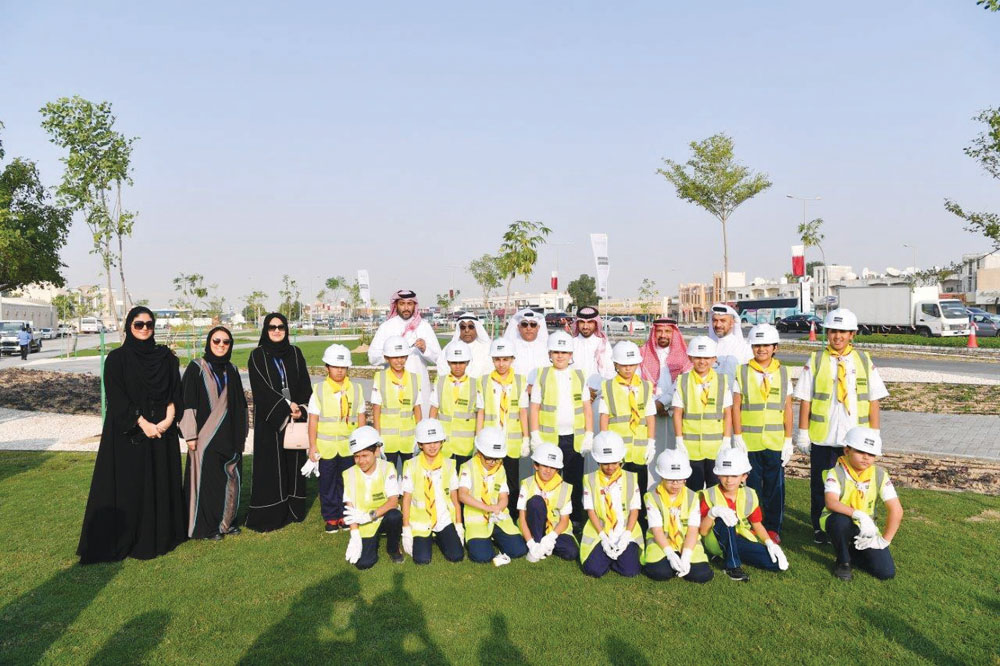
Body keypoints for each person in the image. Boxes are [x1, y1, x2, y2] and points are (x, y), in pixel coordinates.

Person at [77, 306, 186, 563]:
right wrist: (144, 423)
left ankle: (160, 535)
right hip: (130, 436)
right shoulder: (116, 360)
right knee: (132, 487)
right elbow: (117, 399)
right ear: (129, 326)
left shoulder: (166, 358)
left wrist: (168, 420)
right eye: (139, 324)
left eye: (149, 324)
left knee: (159, 482)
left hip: (163, 433)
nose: (145, 328)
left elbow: (174, 393)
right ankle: (132, 537)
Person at [794, 308, 889, 544]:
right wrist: (803, 433)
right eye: (833, 331)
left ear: (852, 334)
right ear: (827, 332)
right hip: (824, 438)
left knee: (855, 485)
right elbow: (806, 399)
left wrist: (874, 434)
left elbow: (874, 400)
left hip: (854, 441)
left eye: (843, 332)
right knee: (821, 484)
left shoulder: (864, 361)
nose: (837, 336)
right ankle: (819, 526)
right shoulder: (816, 360)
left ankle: (854, 524)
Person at [179, 326, 249, 541]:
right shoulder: (196, 368)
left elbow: (242, 406)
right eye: (216, 341)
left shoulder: (233, 370)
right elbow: (187, 402)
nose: (221, 345)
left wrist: (242, 434)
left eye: (226, 342)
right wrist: (190, 436)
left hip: (230, 436)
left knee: (231, 479)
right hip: (205, 438)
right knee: (208, 484)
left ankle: (226, 523)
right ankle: (207, 528)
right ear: (209, 342)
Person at [245, 313, 313, 532]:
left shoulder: (295, 353)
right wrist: (286, 407)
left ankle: (294, 509)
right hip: (270, 421)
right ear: (265, 330)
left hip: (295, 421)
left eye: (281, 327)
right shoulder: (257, 355)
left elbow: (305, 384)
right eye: (272, 327)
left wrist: (301, 407)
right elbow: (261, 389)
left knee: (293, 463)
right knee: (272, 466)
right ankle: (272, 513)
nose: (276, 331)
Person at [732, 323, 793, 543]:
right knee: (752, 487)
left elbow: (787, 408)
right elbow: (736, 407)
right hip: (750, 442)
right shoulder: (742, 371)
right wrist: (737, 437)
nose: (761, 349)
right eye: (757, 345)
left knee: (775, 488)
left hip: (775, 442)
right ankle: (752, 525)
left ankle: (773, 527)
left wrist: (788, 440)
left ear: (775, 347)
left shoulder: (784, 373)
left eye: (766, 345)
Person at [529, 331, 594, 525]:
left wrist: (589, 434)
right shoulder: (542, 375)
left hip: (574, 439)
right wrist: (534, 436)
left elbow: (586, 408)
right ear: (549, 354)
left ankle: (574, 521)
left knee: (573, 482)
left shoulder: (579, 376)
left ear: (571, 355)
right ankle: (546, 519)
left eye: (564, 352)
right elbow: (534, 409)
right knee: (548, 481)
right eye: (556, 351)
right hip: (549, 440)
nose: (560, 356)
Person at [820, 427, 901, 581]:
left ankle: (853, 551)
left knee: (886, 572)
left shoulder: (879, 475)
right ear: (847, 451)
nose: (866, 458)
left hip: (867, 528)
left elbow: (896, 510)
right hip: (840, 520)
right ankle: (843, 562)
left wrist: (884, 541)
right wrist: (859, 515)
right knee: (839, 522)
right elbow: (831, 502)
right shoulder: (836, 472)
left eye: (871, 454)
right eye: (860, 452)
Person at [699, 446, 789, 582]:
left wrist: (770, 543)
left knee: (774, 563)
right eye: (725, 475)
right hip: (716, 541)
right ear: (718, 475)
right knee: (725, 519)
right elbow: (703, 531)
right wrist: (712, 513)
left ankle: (728, 555)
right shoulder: (709, 494)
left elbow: (757, 524)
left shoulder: (749, 494)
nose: (729, 480)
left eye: (734, 476)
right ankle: (732, 567)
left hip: (740, 539)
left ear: (744, 476)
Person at [306, 344, 365, 533]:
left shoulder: (356, 389)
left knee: (348, 482)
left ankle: (347, 515)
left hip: (349, 447)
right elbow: (313, 419)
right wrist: (312, 445)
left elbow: (361, 417)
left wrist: (363, 445)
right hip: (326, 447)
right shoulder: (319, 390)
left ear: (348, 368)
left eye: (343, 367)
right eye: (335, 366)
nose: (339, 371)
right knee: (328, 483)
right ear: (327, 368)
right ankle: (332, 517)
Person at [642, 447, 713, 583]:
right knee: (660, 573)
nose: (675, 484)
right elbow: (656, 530)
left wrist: (686, 555)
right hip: (661, 542)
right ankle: (672, 559)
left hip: (687, 540)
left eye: (680, 480)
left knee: (702, 575)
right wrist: (669, 554)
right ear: (662, 477)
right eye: (670, 480)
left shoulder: (693, 497)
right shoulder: (652, 497)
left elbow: (693, 529)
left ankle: (681, 559)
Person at [458, 427, 528, 565]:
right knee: (482, 556)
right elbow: (462, 495)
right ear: (479, 452)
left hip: (498, 518)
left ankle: (496, 536)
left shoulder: (500, 468)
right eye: (489, 458)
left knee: (519, 550)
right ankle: (486, 541)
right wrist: (487, 507)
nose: (492, 462)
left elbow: (504, 497)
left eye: (496, 459)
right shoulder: (468, 467)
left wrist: (498, 507)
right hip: (477, 520)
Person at [671, 336, 733, 490]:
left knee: (715, 489)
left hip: (716, 447)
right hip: (690, 447)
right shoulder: (683, 381)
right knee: (693, 489)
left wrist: (726, 440)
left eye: (706, 357)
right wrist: (679, 440)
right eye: (698, 357)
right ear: (690, 357)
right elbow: (678, 413)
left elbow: (727, 413)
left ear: (714, 359)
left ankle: (714, 515)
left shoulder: (721, 381)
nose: (702, 361)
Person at [400, 419, 465, 565]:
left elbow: (455, 500)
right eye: (427, 442)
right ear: (420, 445)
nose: (432, 446)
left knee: (456, 556)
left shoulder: (449, 464)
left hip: (443, 519)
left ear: (442, 442)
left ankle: (440, 536)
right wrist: (406, 529)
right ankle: (428, 537)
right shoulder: (411, 465)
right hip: (421, 522)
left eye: (436, 441)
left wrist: (459, 525)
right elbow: (406, 499)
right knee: (422, 559)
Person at [579, 432, 643, 578]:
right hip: (600, 532)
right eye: (605, 463)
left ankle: (615, 557)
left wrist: (626, 535)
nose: (610, 467)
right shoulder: (590, 479)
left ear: (621, 460)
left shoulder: (630, 478)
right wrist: (603, 537)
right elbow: (591, 511)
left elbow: (634, 510)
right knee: (593, 570)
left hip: (625, 530)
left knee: (630, 571)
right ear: (597, 461)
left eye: (614, 462)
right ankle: (607, 556)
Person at [368, 290, 441, 412]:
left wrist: (425, 349)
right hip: (392, 384)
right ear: (396, 305)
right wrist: (389, 355)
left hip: (418, 385)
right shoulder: (386, 327)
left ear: (414, 305)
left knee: (421, 423)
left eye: (409, 304)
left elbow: (439, 358)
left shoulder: (424, 327)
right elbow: (372, 357)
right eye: (402, 303)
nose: (406, 307)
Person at [599, 341, 657, 494]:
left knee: (640, 488)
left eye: (631, 364)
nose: (628, 368)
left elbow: (650, 416)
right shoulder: (608, 386)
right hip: (618, 450)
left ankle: (640, 518)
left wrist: (651, 442)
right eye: (623, 365)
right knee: (618, 489)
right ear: (615, 364)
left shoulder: (645, 386)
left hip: (639, 449)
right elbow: (604, 416)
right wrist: (605, 441)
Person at [343, 426, 404, 568]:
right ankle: (370, 541)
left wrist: (370, 516)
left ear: (376, 451)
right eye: (357, 456)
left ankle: (393, 548)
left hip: (382, 517)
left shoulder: (387, 468)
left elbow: (393, 501)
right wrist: (354, 534)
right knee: (364, 564)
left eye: (365, 455)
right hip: (364, 523)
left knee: (395, 516)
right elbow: (349, 507)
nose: (361, 461)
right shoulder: (349, 474)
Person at [477, 337, 530, 494]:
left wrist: (526, 438)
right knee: (490, 479)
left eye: (505, 359)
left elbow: (522, 411)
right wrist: (478, 437)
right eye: (497, 359)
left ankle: (512, 515)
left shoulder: (520, 381)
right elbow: (481, 411)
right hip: (490, 440)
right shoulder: (484, 381)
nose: (501, 364)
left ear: (512, 359)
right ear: (492, 360)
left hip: (511, 443)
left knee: (512, 480)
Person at [639, 318, 691, 477]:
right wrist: (654, 403)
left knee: (676, 456)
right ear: (654, 332)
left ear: (674, 333)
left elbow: (682, 382)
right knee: (652, 455)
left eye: (667, 331)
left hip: (675, 412)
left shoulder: (685, 356)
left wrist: (663, 403)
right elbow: (638, 383)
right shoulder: (642, 353)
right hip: (651, 413)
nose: (663, 335)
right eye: (659, 331)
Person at [517, 443, 579, 563]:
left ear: (557, 469)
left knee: (571, 552)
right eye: (545, 466)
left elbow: (564, 520)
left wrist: (551, 538)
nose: (548, 471)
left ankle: (544, 545)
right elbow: (522, 518)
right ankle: (536, 543)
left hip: (555, 529)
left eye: (552, 467)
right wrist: (531, 544)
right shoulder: (527, 484)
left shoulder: (564, 488)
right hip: (532, 526)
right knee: (536, 502)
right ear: (536, 465)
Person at [371, 336, 422, 466]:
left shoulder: (414, 378)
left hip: (409, 440)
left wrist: (419, 435)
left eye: (403, 357)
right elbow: (376, 409)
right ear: (387, 358)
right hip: (388, 441)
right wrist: (378, 438)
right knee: (389, 477)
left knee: (410, 476)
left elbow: (417, 408)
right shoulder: (380, 378)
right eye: (395, 357)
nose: (399, 361)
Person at [430, 341, 478, 467]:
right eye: (454, 363)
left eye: (461, 362)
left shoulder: (475, 384)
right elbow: (434, 409)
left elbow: (479, 413)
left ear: (467, 362)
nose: (458, 366)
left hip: (466, 445)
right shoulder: (440, 381)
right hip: (445, 444)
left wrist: (477, 438)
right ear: (448, 363)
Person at [571, 306, 615, 403]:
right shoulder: (571, 343)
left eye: (590, 322)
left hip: (599, 394)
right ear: (577, 323)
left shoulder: (603, 344)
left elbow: (609, 372)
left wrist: (599, 392)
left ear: (596, 323)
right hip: (574, 394)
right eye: (582, 322)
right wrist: (583, 392)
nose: (585, 326)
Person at [707, 303, 752, 388]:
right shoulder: (706, 345)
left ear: (732, 323)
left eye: (723, 321)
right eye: (715, 320)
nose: (718, 325)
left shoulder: (744, 348)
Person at [437, 312, 492, 379]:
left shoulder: (487, 348)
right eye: (463, 327)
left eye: (471, 327)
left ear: (477, 329)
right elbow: (442, 369)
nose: (466, 330)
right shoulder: (449, 348)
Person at [502, 308, 549, 384]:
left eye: (533, 324)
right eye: (524, 324)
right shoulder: (510, 349)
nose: (528, 328)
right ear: (518, 327)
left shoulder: (547, 348)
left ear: (538, 327)